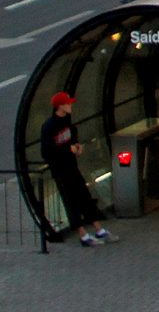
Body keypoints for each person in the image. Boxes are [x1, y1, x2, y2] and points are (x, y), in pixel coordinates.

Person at [38, 91, 113, 246]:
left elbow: (73, 139)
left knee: (84, 196)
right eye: (67, 103)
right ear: (60, 106)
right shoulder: (49, 126)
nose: (70, 105)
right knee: (71, 201)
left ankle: (98, 229)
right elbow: (47, 151)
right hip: (60, 170)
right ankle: (83, 235)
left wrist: (77, 147)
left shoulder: (68, 123)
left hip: (72, 167)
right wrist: (67, 150)